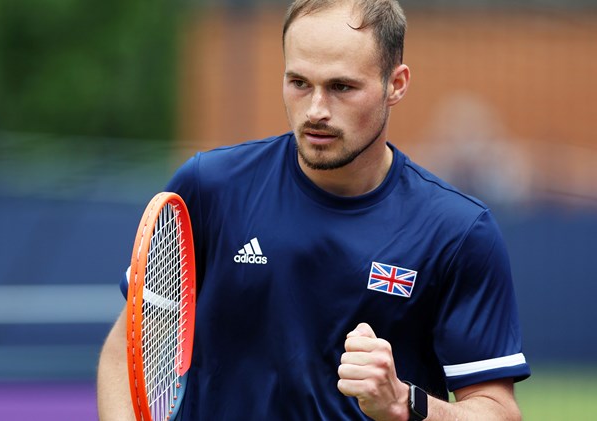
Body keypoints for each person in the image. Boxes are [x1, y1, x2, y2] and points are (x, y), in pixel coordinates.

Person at [97, 0, 530, 419]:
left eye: (342, 87)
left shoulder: (458, 232)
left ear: (395, 85)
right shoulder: (209, 186)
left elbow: (497, 412)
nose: (316, 110)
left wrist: (404, 402)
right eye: (299, 83)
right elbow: (129, 348)